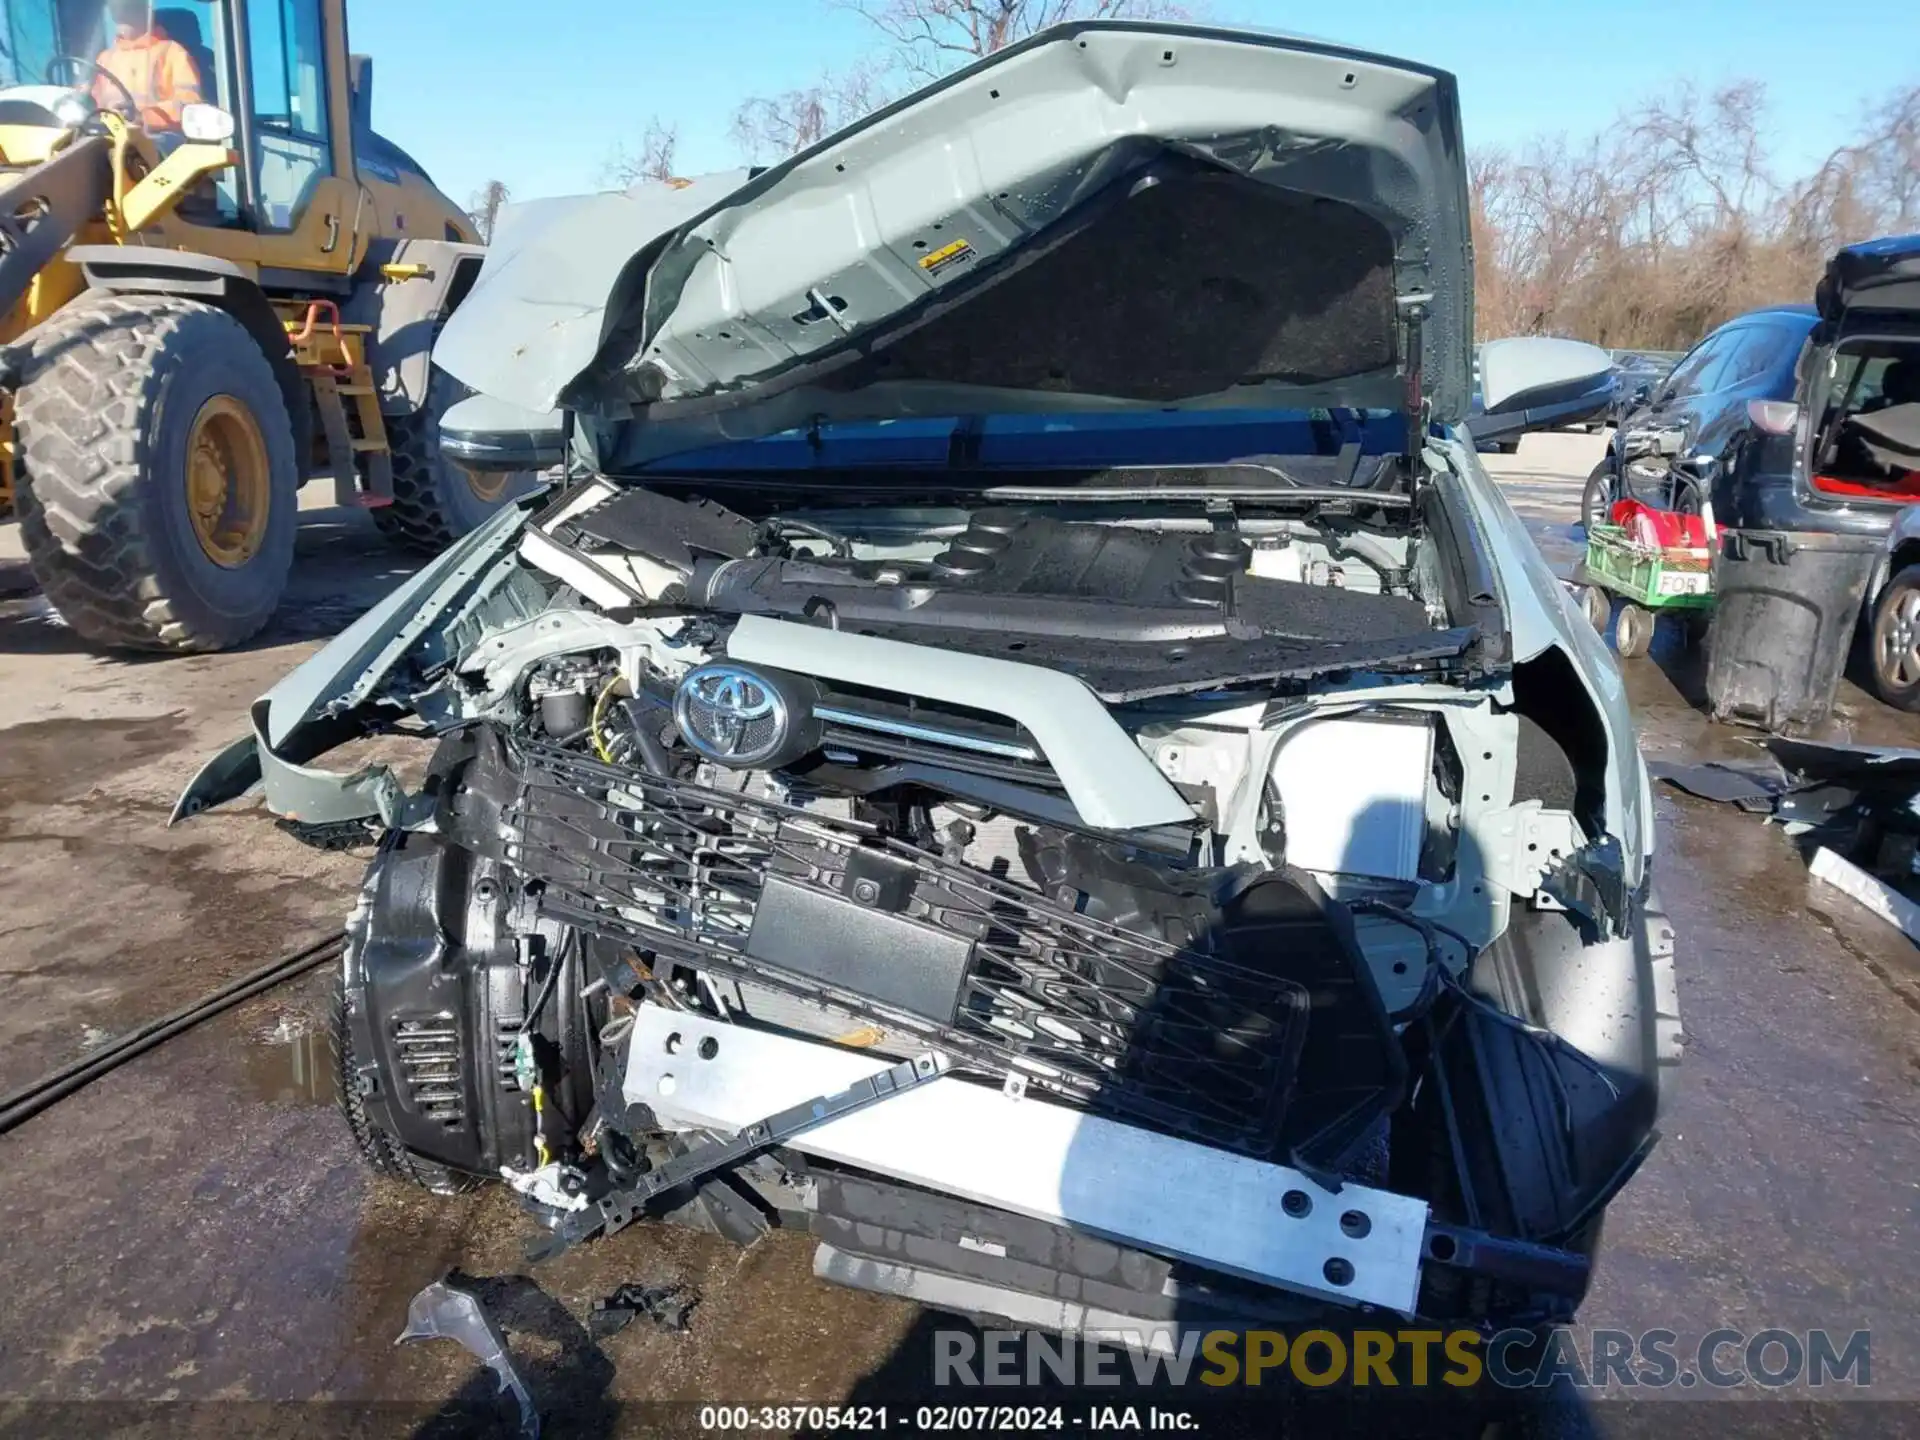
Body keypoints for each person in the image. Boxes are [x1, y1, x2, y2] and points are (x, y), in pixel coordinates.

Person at [94, 0, 204, 133]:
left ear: (144, 8)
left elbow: (189, 105)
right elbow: (92, 103)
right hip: (111, 139)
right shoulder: (105, 59)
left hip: (160, 140)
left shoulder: (172, 52)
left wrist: (143, 116)